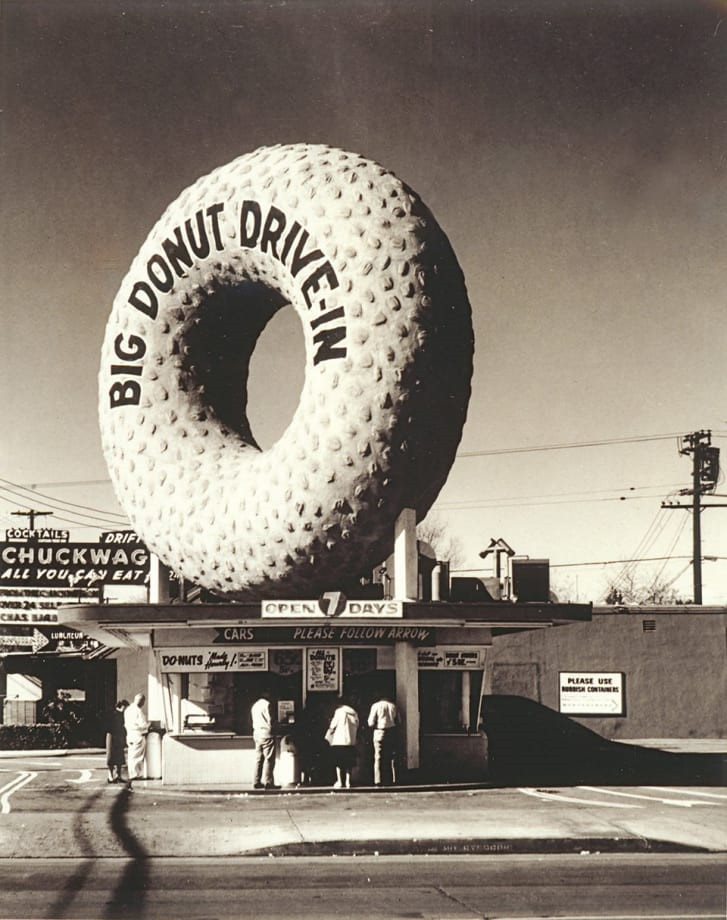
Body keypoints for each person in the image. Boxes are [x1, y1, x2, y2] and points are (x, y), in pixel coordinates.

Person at [325, 697, 359, 789]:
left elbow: (333, 725)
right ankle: (348, 782)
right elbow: (357, 725)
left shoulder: (339, 712)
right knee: (349, 763)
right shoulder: (354, 713)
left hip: (339, 741)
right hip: (350, 741)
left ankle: (340, 781)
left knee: (339, 762)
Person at [367, 693, 399, 786]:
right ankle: (391, 779)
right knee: (390, 756)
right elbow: (398, 721)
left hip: (379, 732)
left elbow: (370, 723)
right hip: (391, 732)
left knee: (378, 756)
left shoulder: (376, 706)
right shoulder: (393, 706)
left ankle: (378, 780)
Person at [251, 690, 279, 789]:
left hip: (257, 733)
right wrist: (275, 728)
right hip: (266, 733)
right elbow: (270, 720)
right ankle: (268, 782)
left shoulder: (255, 706)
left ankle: (256, 781)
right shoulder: (267, 705)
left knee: (259, 759)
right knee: (269, 759)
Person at [123, 692, 149, 787]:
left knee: (131, 755)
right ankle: (136, 774)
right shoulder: (138, 711)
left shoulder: (128, 710)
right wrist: (148, 725)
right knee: (137, 756)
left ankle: (132, 773)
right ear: (141, 701)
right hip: (138, 735)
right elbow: (143, 725)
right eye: (143, 702)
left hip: (129, 735)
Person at [105, 699, 128, 783]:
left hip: (118, 737)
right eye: (125, 707)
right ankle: (110, 776)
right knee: (111, 757)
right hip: (112, 736)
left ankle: (118, 775)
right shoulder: (113, 714)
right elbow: (108, 726)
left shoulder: (121, 714)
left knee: (119, 757)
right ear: (122, 706)